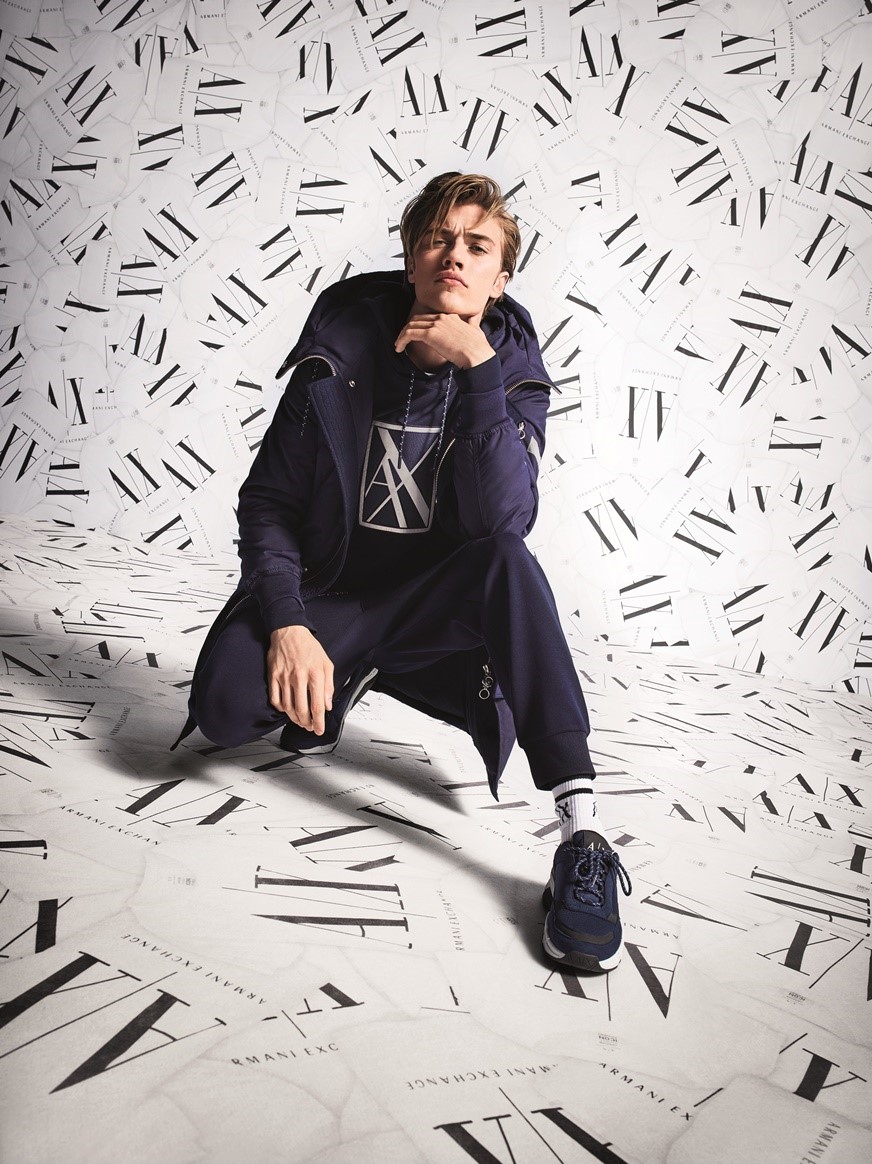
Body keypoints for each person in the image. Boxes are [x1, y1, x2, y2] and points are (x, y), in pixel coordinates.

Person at [181, 171, 631, 972]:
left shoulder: (512, 371)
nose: (454, 255)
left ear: (500, 279)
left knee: (507, 561)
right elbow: (269, 503)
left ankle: (582, 833)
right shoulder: (341, 347)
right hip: (330, 597)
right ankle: (346, 669)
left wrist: (479, 371)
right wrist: (288, 623)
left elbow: (502, 524)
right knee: (222, 707)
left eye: (477, 246)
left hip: (432, 610)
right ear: (410, 257)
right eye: (437, 239)